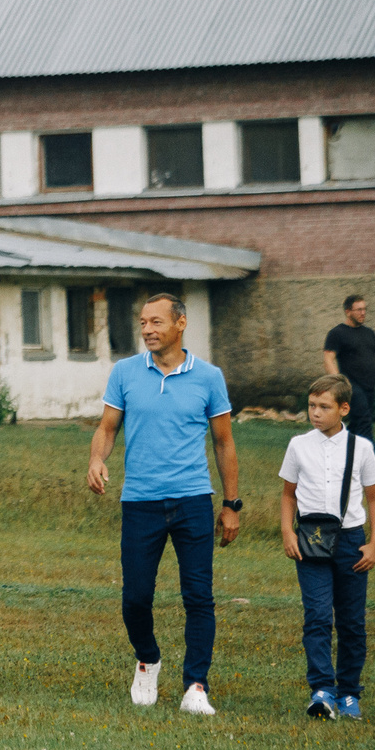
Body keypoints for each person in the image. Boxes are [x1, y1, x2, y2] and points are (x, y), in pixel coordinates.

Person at [88, 291, 242, 717]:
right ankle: (147, 660)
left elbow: (224, 443)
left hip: (193, 499)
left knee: (199, 597)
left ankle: (196, 686)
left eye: (156, 322)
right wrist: (97, 459)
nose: (147, 330)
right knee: (136, 598)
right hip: (140, 501)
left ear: (180, 323)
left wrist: (231, 504)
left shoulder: (209, 377)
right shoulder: (125, 372)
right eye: (143, 323)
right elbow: (107, 427)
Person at [281, 374, 375, 721]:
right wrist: (287, 532)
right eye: (311, 405)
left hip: (351, 541)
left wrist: (373, 543)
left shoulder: (362, 448)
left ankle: (349, 693)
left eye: (324, 407)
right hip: (310, 539)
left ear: (344, 409)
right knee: (317, 616)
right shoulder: (298, 445)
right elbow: (288, 494)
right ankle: (322, 690)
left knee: (352, 622)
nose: (315, 413)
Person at [322, 295, 375, 450]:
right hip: (351, 387)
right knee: (364, 421)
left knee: (358, 424)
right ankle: (372, 461)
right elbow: (328, 359)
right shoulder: (337, 333)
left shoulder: (369, 333)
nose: (363, 313)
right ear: (348, 311)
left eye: (364, 309)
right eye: (358, 310)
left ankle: (339, 452)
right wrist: (339, 384)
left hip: (368, 387)